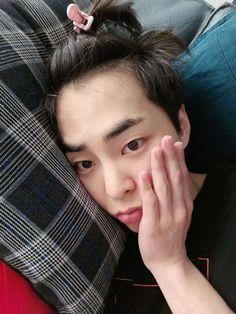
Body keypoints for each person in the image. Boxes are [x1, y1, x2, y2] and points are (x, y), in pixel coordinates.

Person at [44, 0, 236, 313]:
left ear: (181, 125)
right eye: (85, 163)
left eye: (132, 145)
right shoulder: (96, 263)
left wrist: (171, 266)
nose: (115, 188)